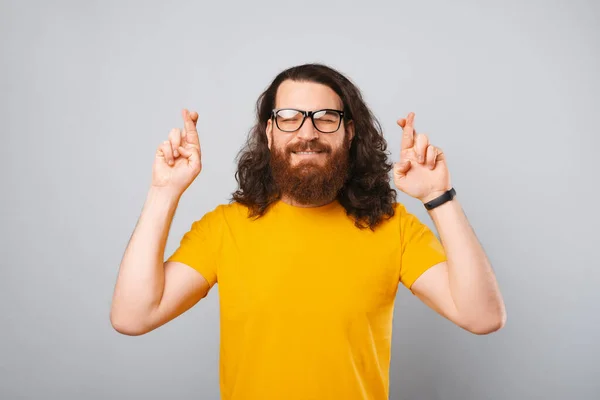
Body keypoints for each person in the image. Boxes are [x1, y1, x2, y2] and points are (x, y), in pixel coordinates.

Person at [110, 63, 506, 400]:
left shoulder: (392, 227)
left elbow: (482, 317)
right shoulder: (224, 227)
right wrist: (164, 192)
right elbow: (133, 316)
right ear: (269, 133)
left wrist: (439, 195)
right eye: (289, 117)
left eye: (325, 118)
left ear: (349, 133)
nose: (307, 132)